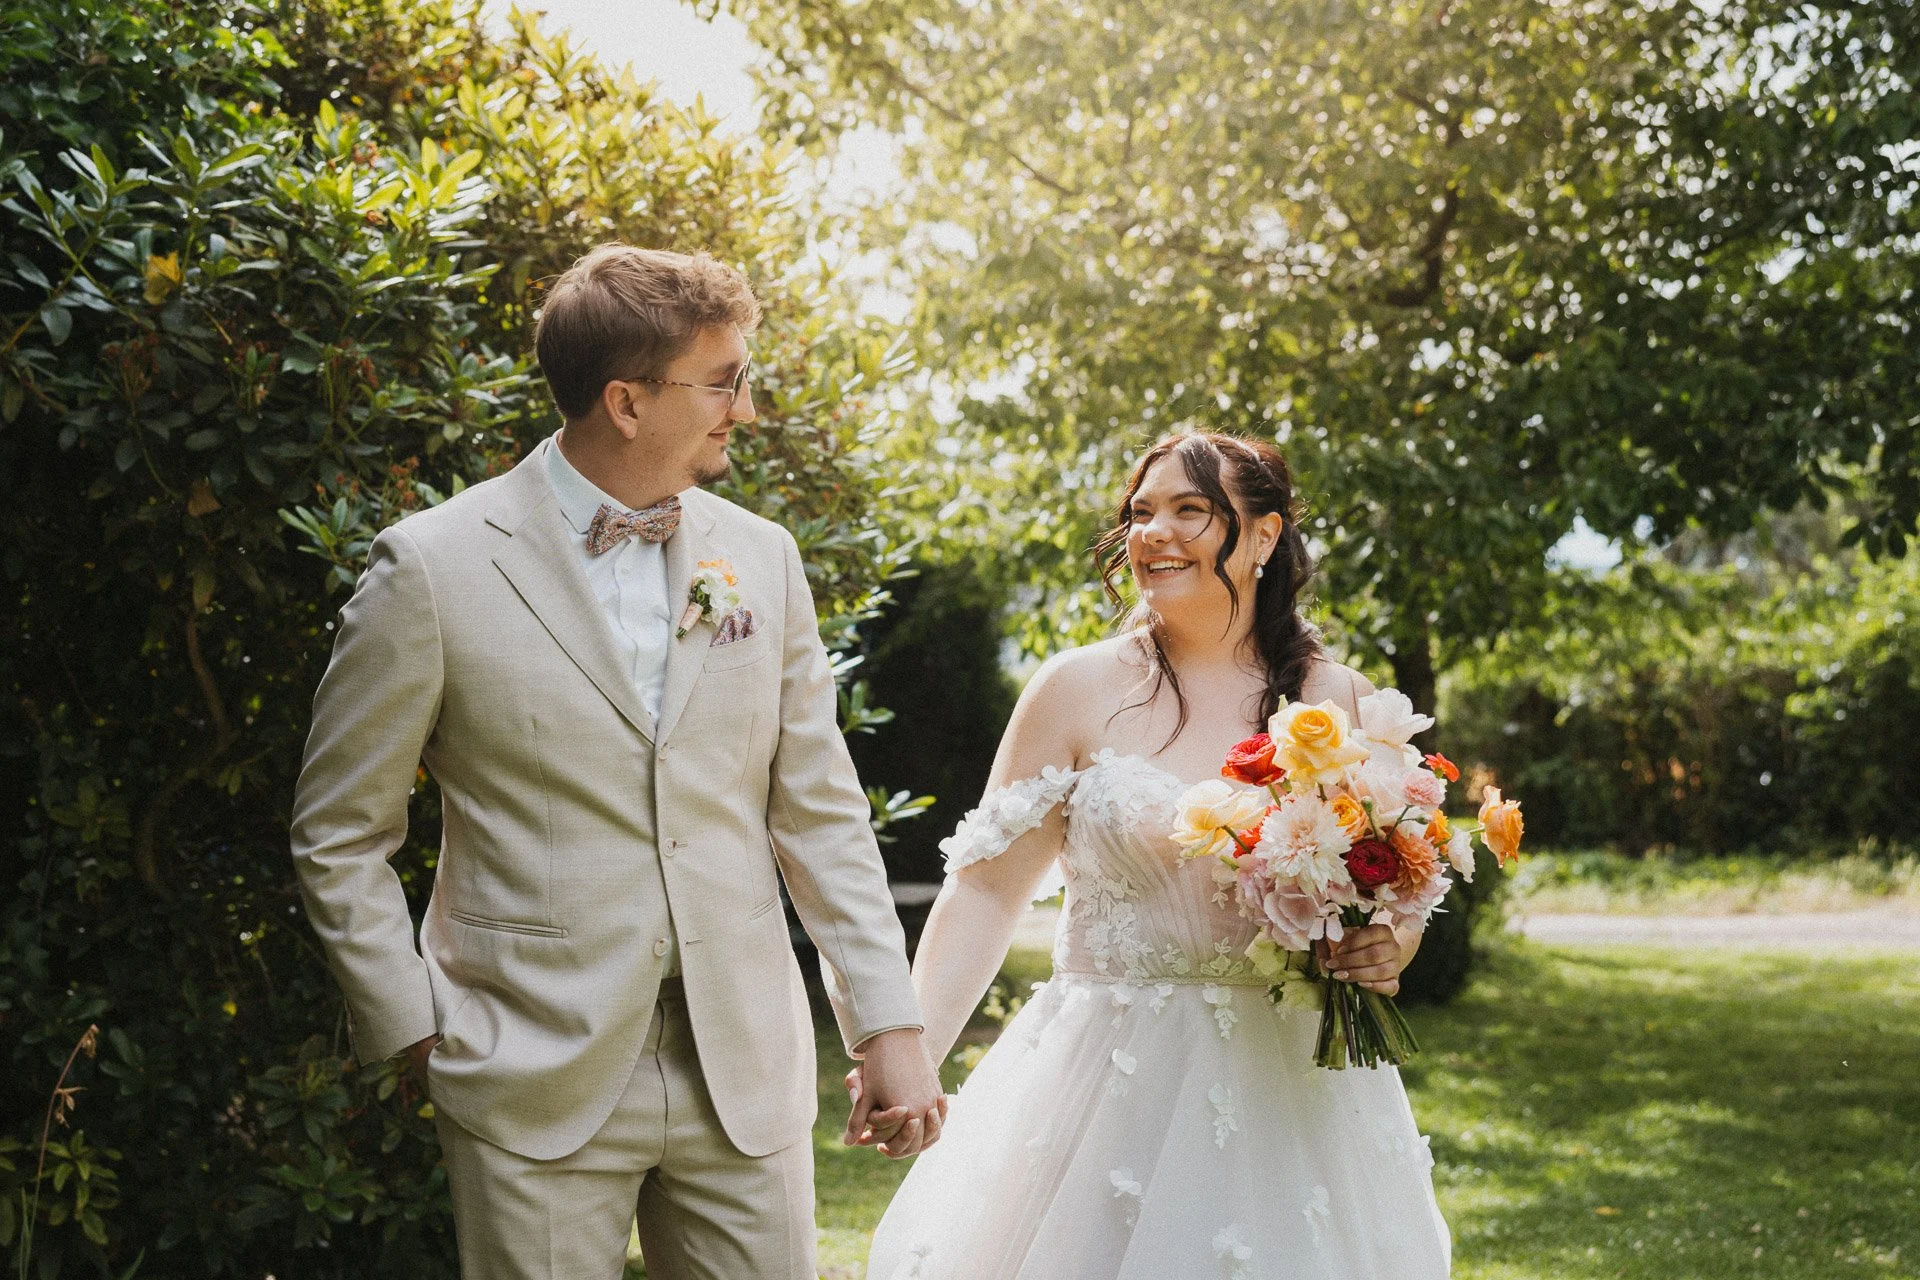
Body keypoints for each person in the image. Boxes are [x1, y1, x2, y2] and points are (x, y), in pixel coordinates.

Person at [290, 243, 945, 1280]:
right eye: (724, 381)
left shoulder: (760, 556)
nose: (746, 407)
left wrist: (885, 1024)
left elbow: (819, 810)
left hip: (745, 1068)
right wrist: (417, 1029)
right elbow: (338, 831)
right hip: (528, 1064)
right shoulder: (430, 568)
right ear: (627, 402)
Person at [860, 432, 1451, 1279]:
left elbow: (1397, 893)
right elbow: (986, 895)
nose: (1153, 533)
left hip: (1289, 1094)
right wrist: (911, 1052)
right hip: (1100, 1082)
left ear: (1263, 537)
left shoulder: (1339, 699)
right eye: (1140, 513)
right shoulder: (1074, 688)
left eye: (1189, 511)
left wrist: (1388, 949)